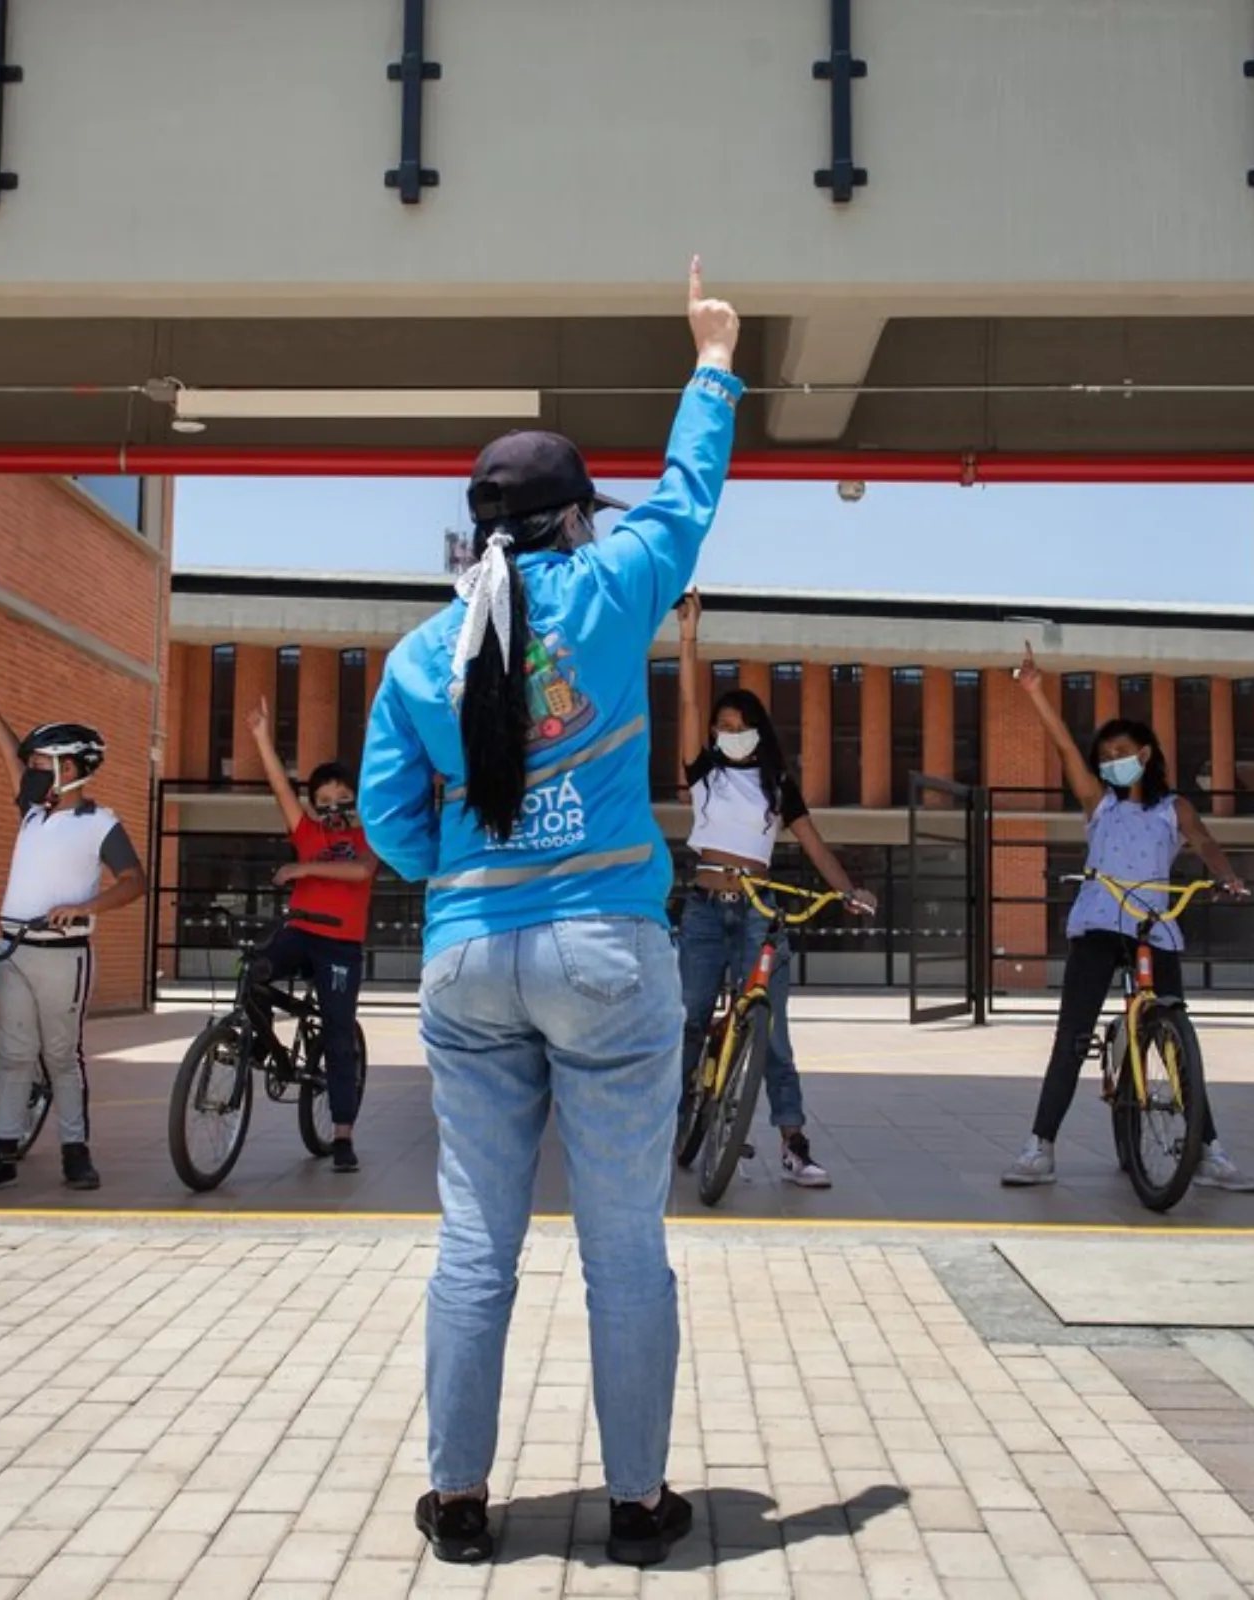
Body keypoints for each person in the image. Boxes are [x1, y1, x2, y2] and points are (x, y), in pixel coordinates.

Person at [362, 259, 741, 1570]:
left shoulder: (421, 654)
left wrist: (471, 868)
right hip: (608, 954)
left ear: (478, 534)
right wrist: (710, 356)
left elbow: (387, 820)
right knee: (626, 1247)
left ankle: (459, 1502)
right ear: (576, 518)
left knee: (476, 1242)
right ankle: (638, 1505)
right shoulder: (612, 586)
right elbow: (689, 498)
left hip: (469, 958)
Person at [1001, 644, 1254, 1192]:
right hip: (1098, 924)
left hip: (1154, 929)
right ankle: (1039, 1147)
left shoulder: (1173, 807)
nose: (1109, 759)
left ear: (1145, 754)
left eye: (1121, 750)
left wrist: (1227, 874)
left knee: (1175, 1038)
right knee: (1073, 1036)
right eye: (1105, 754)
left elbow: (1205, 842)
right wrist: (1035, 693)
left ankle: (1208, 1150)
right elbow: (1065, 748)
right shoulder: (1100, 803)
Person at [672, 591, 875, 1189]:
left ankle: (793, 1142)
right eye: (722, 727)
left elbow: (813, 844)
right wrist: (689, 639)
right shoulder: (704, 774)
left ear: (758, 732)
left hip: (759, 912)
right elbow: (686, 702)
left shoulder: (776, 785)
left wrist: (849, 890)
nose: (728, 734)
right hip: (706, 911)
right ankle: (678, 1121)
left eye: (739, 727)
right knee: (690, 1019)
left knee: (772, 1033)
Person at [0, 666, 147, 1196]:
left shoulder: (99, 823)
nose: (33, 770)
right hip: (12, 951)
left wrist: (86, 905)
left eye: (43, 763)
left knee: (62, 1056)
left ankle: (75, 1151)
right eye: (35, 764)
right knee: (15, 1054)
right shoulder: (33, 814)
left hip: (64, 957)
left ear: (72, 768)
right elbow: (6, 752)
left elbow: (135, 882)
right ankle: (3, 1152)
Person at [245, 694, 377, 1172]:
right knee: (253, 971)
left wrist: (301, 869)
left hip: (341, 943)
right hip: (299, 932)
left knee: (339, 1036)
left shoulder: (367, 838)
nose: (333, 808)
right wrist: (261, 737)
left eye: (342, 800)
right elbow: (281, 788)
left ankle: (342, 1135)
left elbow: (361, 874)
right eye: (323, 802)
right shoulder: (309, 833)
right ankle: (264, 1045)